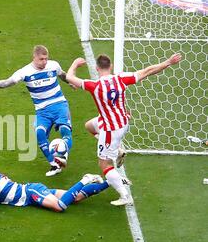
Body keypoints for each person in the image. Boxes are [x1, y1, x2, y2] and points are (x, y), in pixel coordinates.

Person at [66, 53, 182, 206]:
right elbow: (148, 71)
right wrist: (168, 61)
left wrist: (74, 64)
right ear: (111, 66)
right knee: (89, 126)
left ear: (96, 68)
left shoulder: (94, 85)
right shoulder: (121, 79)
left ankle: (125, 195)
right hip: (123, 123)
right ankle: (118, 150)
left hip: (110, 130)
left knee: (104, 165)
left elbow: (69, 77)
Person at [0, 45, 74, 176]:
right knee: (39, 134)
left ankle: (63, 156)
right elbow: (9, 82)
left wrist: (71, 82)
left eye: (46, 59)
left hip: (59, 105)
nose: (44, 62)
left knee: (65, 131)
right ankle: (54, 165)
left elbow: (62, 75)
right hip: (42, 111)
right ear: (34, 57)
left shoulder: (53, 65)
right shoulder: (25, 72)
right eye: (41, 59)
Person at [0, 163, 109, 212]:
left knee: (60, 207)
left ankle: (85, 179)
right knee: (76, 197)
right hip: (31, 191)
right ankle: (110, 182)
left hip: (31, 193)